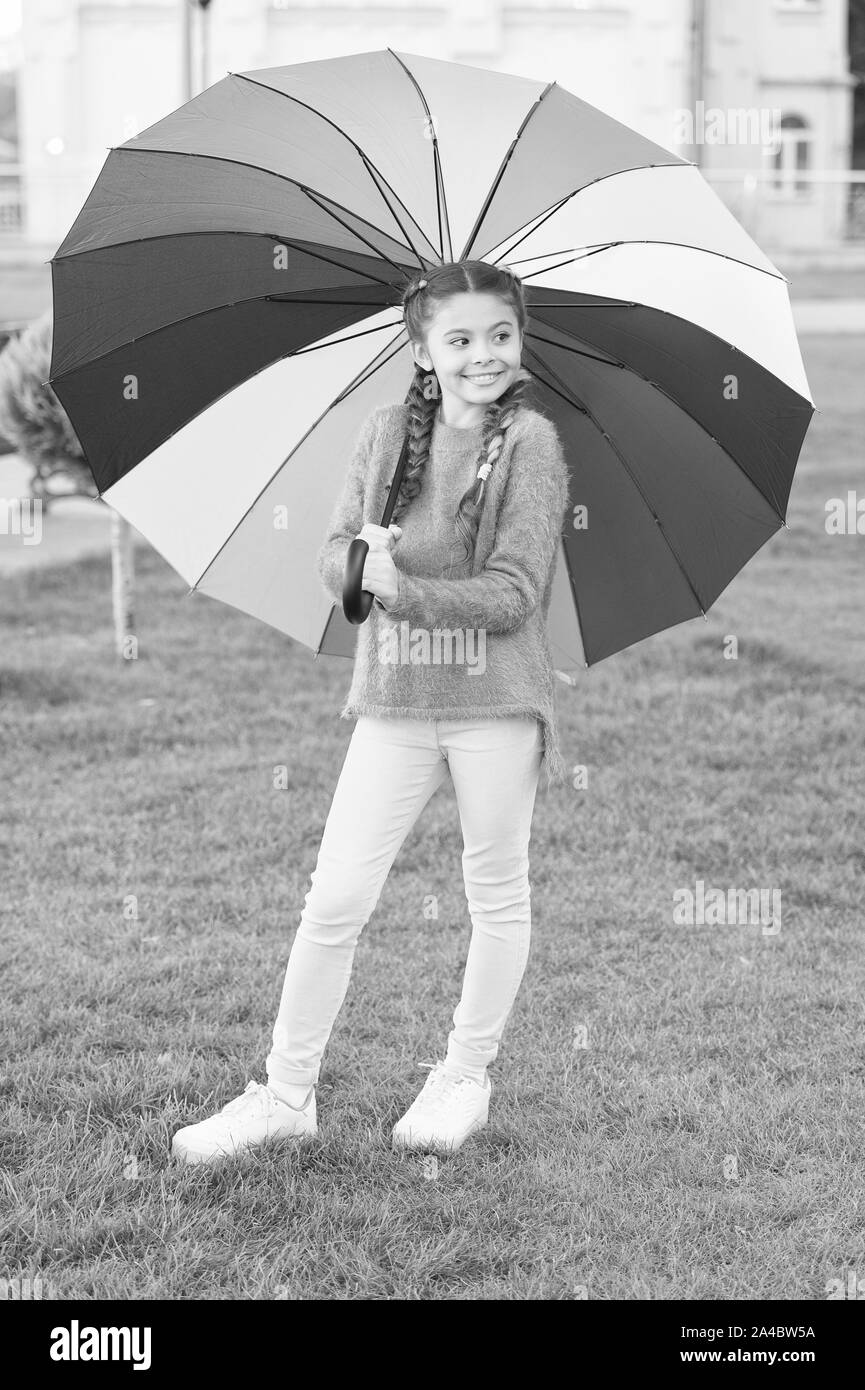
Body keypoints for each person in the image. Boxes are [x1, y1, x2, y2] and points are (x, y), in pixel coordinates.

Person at [171, 259, 571, 1165]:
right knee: (337, 896)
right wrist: (359, 561)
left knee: (494, 890)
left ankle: (464, 1076)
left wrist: (408, 587)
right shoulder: (386, 433)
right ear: (421, 348)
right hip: (393, 701)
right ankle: (283, 1093)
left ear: (519, 339)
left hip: (494, 702)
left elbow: (514, 594)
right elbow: (330, 555)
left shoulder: (531, 445)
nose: (484, 355)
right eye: (460, 339)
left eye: (500, 336)